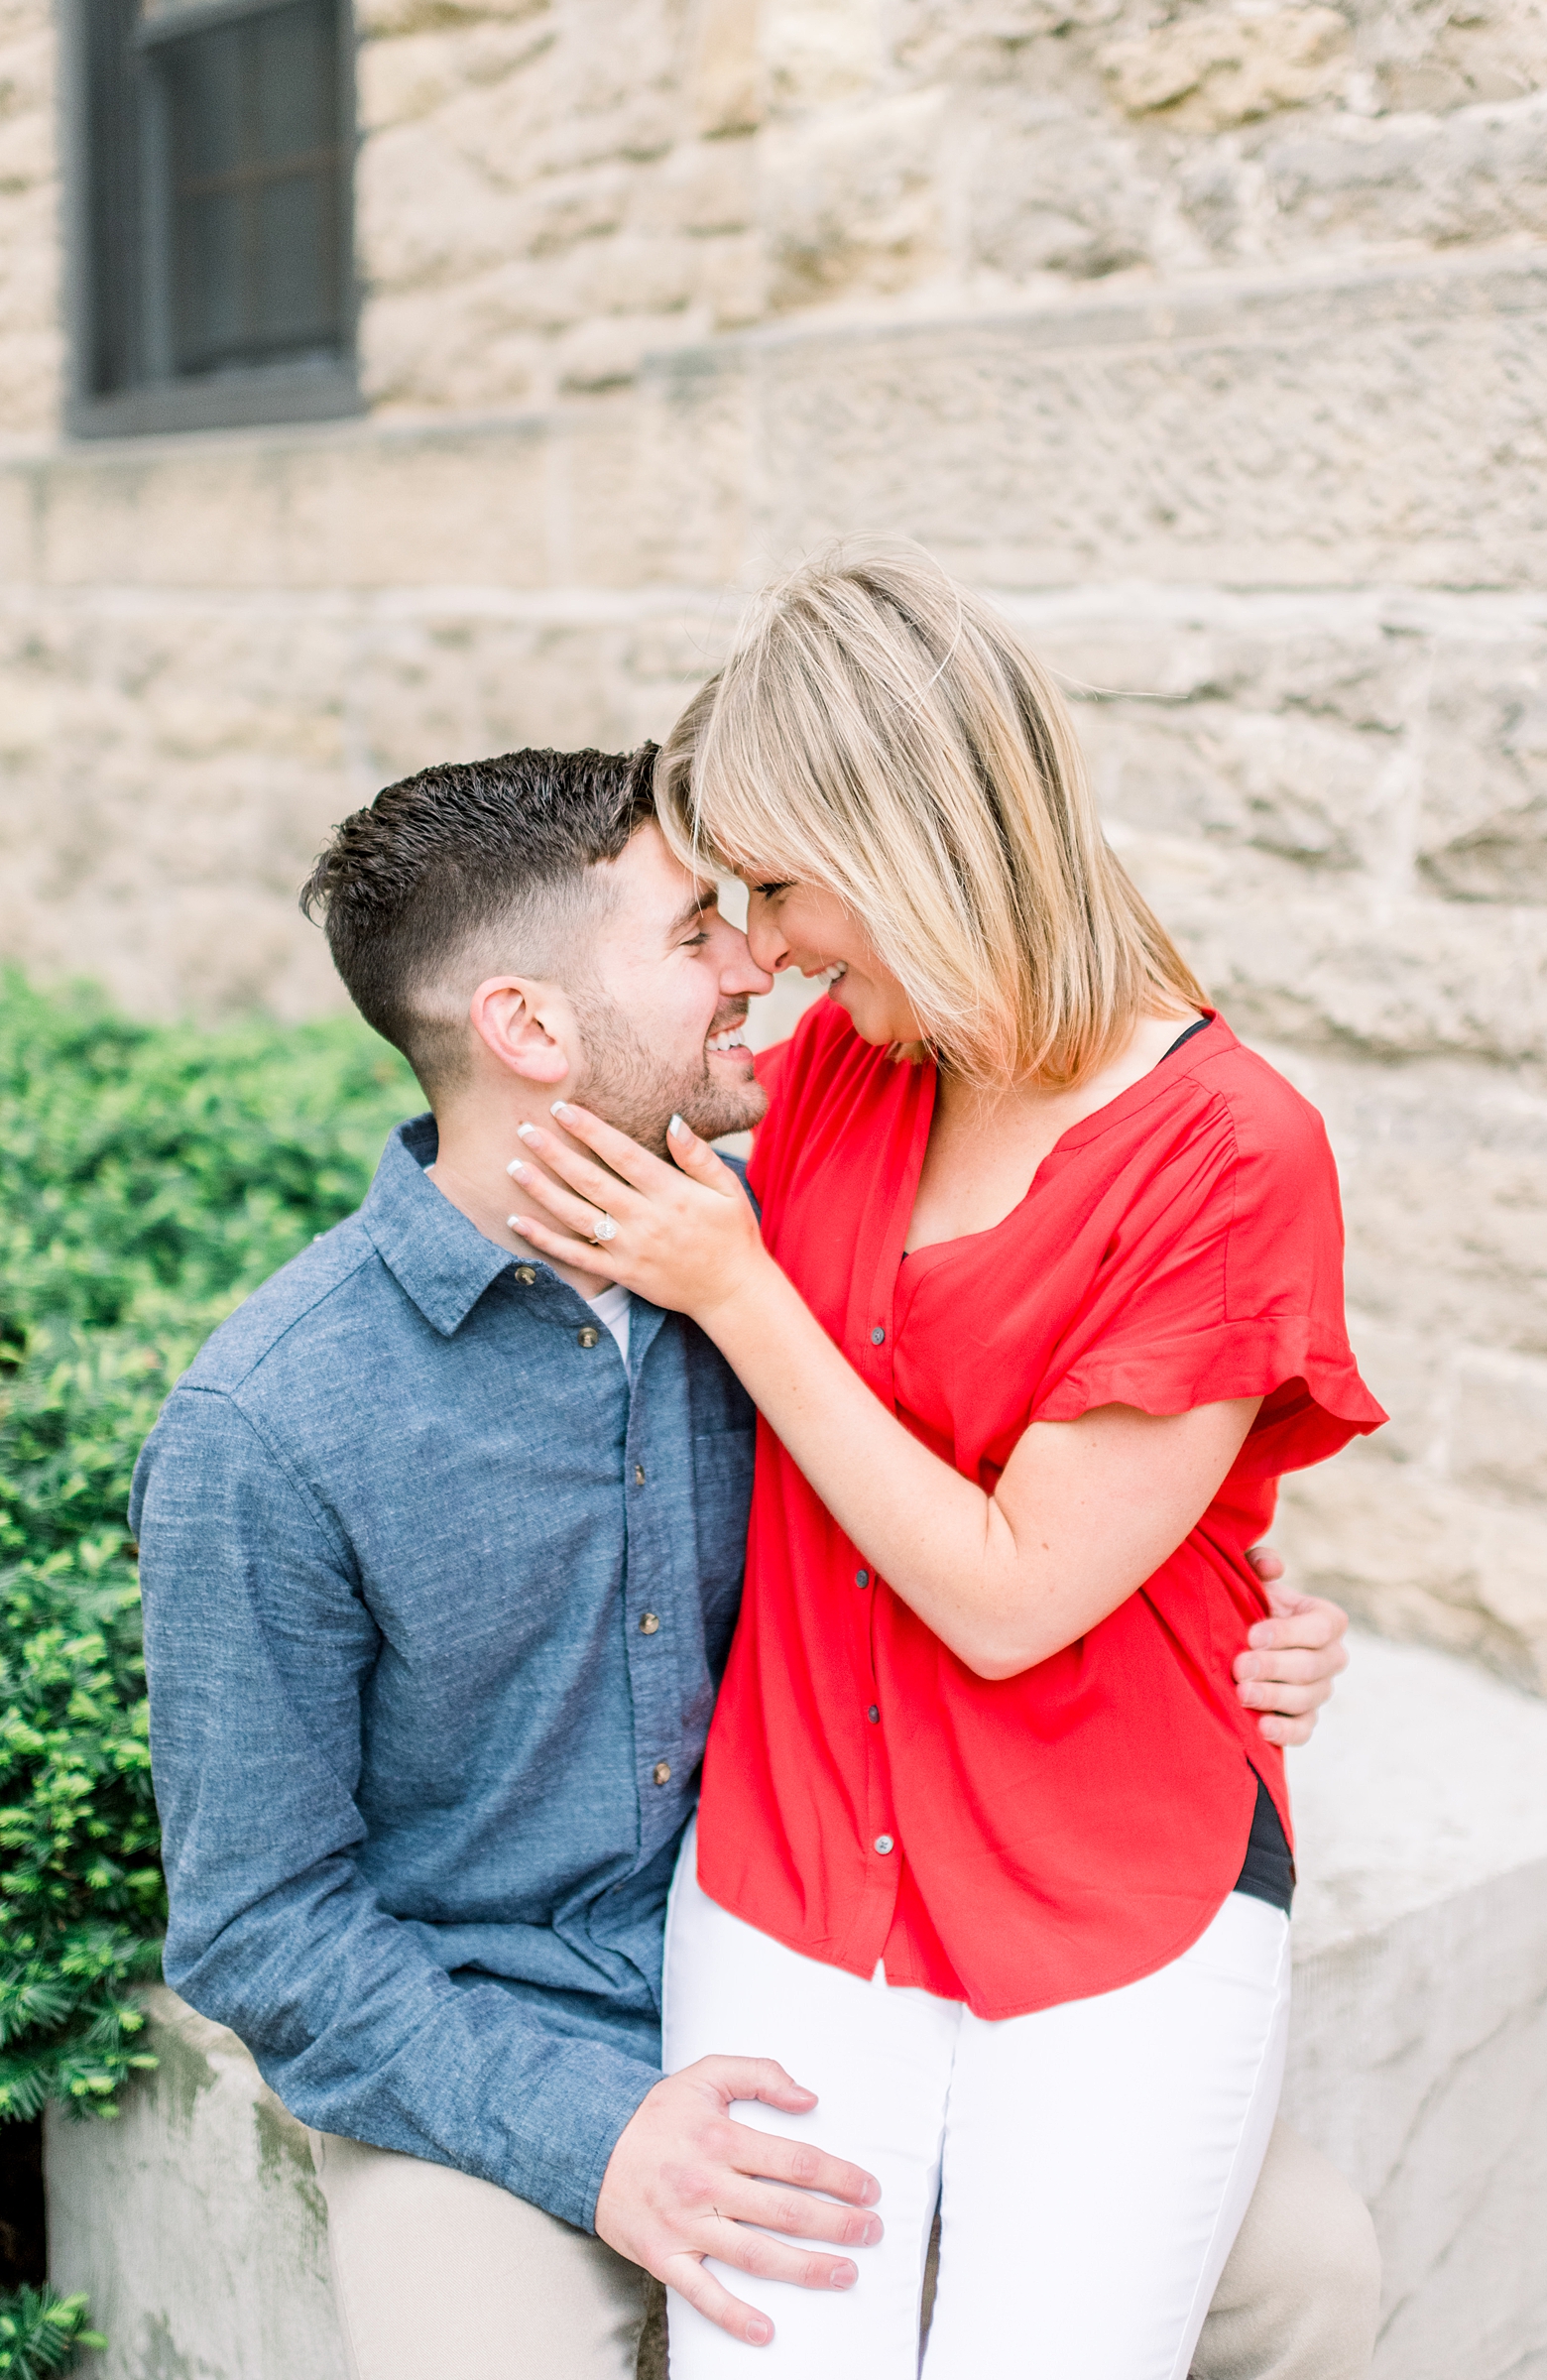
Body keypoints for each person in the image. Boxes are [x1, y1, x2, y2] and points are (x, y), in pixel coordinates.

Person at [134, 745, 1374, 2380]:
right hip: (503, 2031)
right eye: (692, 932)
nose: (753, 961)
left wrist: (1233, 1610)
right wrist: (593, 2136)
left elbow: (1032, 1486)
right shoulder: (271, 1422)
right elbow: (258, 1929)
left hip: (874, 1942)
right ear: (528, 1027)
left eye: (749, 909)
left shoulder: (787, 1246)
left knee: (1305, 2272)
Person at [499, 551, 1388, 2380]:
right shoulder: (834, 1067)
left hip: (1112, 1880)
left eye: (777, 888)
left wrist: (741, 1293)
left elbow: (1005, 1597)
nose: (756, 949)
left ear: (910, 847)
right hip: (795, 1854)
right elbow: (531, 1053)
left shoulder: (1228, 1152)